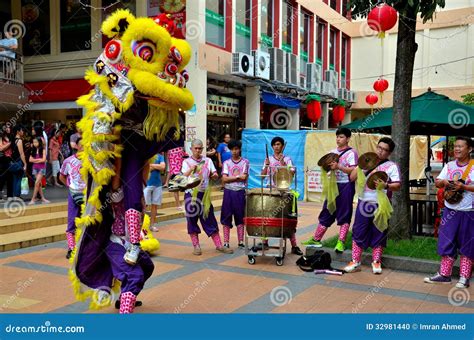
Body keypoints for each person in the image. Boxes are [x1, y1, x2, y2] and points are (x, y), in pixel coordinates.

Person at [344, 137, 401, 275]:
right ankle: (355, 260)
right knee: (358, 231)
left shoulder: (391, 166)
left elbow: (397, 185)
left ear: (389, 153)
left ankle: (376, 261)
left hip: (381, 205)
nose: (381, 152)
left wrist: (386, 185)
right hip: (364, 202)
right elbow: (351, 178)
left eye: (385, 150)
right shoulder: (367, 161)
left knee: (379, 231)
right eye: (379, 148)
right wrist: (361, 166)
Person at [424, 136, 474, 288]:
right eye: (455, 146)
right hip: (450, 210)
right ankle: (444, 275)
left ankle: (464, 278)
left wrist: (464, 187)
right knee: (447, 241)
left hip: (469, 211)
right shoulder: (450, 165)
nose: (457, 149)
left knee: (468, 244)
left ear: (470, 149)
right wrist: (444, 182)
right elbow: (438, 181)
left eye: (461, 146)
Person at [302, 128, 358, 253]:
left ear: (348, 139)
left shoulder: (351, 153)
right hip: (332, 185)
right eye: (337, 136)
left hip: (346, 186)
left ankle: (341, 242)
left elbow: (354, 170)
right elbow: (326, 168)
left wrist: (338, 166)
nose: (338, 139)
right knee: (327, 211)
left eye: (341, 137)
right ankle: (316, 239)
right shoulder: (332, 152)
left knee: (345, 213)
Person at [182, 139, 233, 256]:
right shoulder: (187, 162)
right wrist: (192, 169)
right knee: (192, 220)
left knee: (209, 218)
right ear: (191, 149)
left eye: (200, 148)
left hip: (204, 194)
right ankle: (196, 246)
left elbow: (214, 174)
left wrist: (214, 175)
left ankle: (219, 245)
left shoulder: (208, 160)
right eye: (196, 148)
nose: (198, 150)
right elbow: (183, 177)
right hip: (191, 194)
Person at [261, 136, 303, 256]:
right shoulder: (267, 159)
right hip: (271, 192)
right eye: (274, 145)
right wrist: (267, 166)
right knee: (267, 216)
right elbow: (263, 175)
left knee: (288, 219)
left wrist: (283, 163)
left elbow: (292, 173)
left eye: (279, 144)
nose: (276, 147)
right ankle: (264, 242)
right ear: (272, 147)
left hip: (284, 192)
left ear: (282, 146)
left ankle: (294, 246)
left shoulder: (287, 159)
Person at [59, 138, 86, 259]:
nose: (84, 147)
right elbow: (62, 176)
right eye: (82, 145)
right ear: (77, 146)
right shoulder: (68, 161)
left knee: (88, 221)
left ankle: (86, 248)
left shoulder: (92, 161)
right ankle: (71, 248)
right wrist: (70, 187)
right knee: (72, 222)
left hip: (89, 196)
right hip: (73, 195)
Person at [221, 139, 249, 249]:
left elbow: (244, 177)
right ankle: (226, 241)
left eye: (236, 149)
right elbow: (224, 179)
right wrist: (237, 177)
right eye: (232, 149)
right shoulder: (226, 163)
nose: (234, 151)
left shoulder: (245, 162)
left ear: (240, 149)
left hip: (240, 192)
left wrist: (230, 178)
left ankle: (240, 241)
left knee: (240, 216)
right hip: (228, 192)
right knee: (226, 216)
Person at [144, 152, 166, 232]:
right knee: (144, 205)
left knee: (155, 206)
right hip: (147, 184)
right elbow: (146, 168)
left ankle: (152, 225)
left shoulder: (160, 156)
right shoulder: (147, 155)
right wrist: (157, 167)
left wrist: (151, 165)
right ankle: (142, 224)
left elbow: (163, 167)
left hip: (158, 184)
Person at [28, 137, 49, 205]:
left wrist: (35, 160)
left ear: (39, 142)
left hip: (41, 168)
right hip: (35, 168)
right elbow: (30, 160)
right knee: (39, 183)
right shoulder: (33, 150)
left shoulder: (43, 149)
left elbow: (43, 160)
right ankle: (43, 198)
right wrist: (39, 160)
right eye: (34, 142)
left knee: (37, 183)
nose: (34, 144)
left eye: (36, 142)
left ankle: (33, 199)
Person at [9, 125, 27, 199]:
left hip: (13, 162)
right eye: (21, 130)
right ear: (18, 132)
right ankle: (17, 195)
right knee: (19, 178)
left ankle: (15, 195)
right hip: (19, 162)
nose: (23, 132)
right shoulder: (19, 141)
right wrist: (25, 163)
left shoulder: (13, 140)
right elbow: (21, 153)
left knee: (15, 178)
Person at [0, 127, 12, 199]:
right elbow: (1, 148)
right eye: (6, 128)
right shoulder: (1, 137)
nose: (8, 129)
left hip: (10, 158)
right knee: (2, 177)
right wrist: (10, 143)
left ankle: (10, 195)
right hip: (3, 159)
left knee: (10, 177)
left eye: (9, 128)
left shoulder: (10, 136)